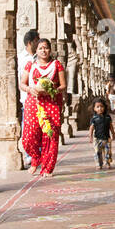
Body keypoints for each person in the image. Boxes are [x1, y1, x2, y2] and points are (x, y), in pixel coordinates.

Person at [19, 38, 66, 176]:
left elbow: (63, 85)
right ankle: (35, 158)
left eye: (45, 48)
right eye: (40, 48)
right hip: (34, 102)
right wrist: (29, 89)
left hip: (51, 102)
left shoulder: (57, 65)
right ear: (36, 51)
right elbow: (22, 83)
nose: (43, 50)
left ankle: (47, 167)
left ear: (50, 50)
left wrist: (52, 90)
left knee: (49, 135)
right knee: (29, 135)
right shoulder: (30, 65)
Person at [18, 28, 39, 162]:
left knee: (41, 127)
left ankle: (39, 155)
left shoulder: (41, 56)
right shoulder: (20, 58)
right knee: (28, 128)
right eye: (37, 41)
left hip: (41, 98)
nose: (40, 44)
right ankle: (29, 154)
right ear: (30, 43)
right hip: (26, 98)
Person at [89, 97, 115, 170]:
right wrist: (90, 137)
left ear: (104, 107)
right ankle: (99, 163)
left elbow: (110, 126)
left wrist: (113, 134)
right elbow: (91, 128)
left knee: (108, 152)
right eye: (97, 107)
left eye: (101, 106)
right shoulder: (94, 118)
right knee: (98, 152)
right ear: (94, 108)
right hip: (97, 139)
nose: (100, 108)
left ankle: (107, 162)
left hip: (107, 138)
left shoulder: (107, 117)